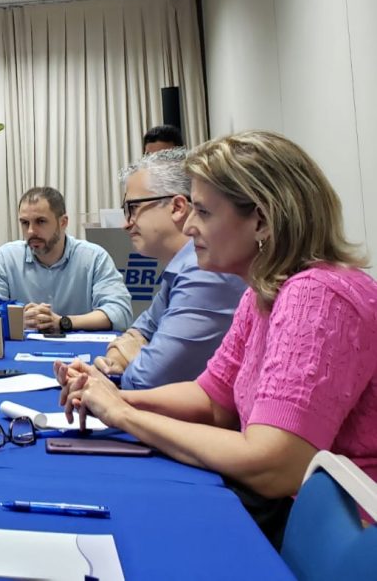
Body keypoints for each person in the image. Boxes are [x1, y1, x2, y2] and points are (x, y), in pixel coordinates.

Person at [57, 131, 377, 544]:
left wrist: (124, 415)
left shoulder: (315, 295)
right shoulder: (263, 292)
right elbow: (212, 400)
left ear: (261, 220)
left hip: (339, 537)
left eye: (204, 212)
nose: (189, 226)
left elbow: (275, 466)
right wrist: (112, 396)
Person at [99, 149, 247, 388]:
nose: (125, 224)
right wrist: (121, 356)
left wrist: (126, 364)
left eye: (132, 208)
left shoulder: (205, 270)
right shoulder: (183, 266)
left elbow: (147, 380)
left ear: (177, 207)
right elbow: (140, 330)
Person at [0, 187, 132, 332]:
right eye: (25, 223)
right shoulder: (7, 257)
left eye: (40, 221)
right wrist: (14, 318)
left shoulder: (94, 257)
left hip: (78, 351)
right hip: (23, 350)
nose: (31, 231)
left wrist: (63, 322)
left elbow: (120, 313)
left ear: (63, 222)